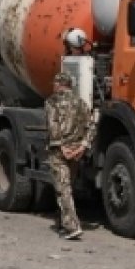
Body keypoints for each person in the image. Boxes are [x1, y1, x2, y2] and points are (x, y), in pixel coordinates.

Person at [44, 71, 90, 240]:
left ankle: (72, 227)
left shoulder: (52, 102)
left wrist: (60, 145)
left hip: (59, 151)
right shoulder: (81, 103)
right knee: (68, 185)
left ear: (58, 84)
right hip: (76, 151)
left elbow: (52, 125)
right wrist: (83, 146)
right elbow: (90, 125)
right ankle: (63, 223)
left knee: (62, 188)